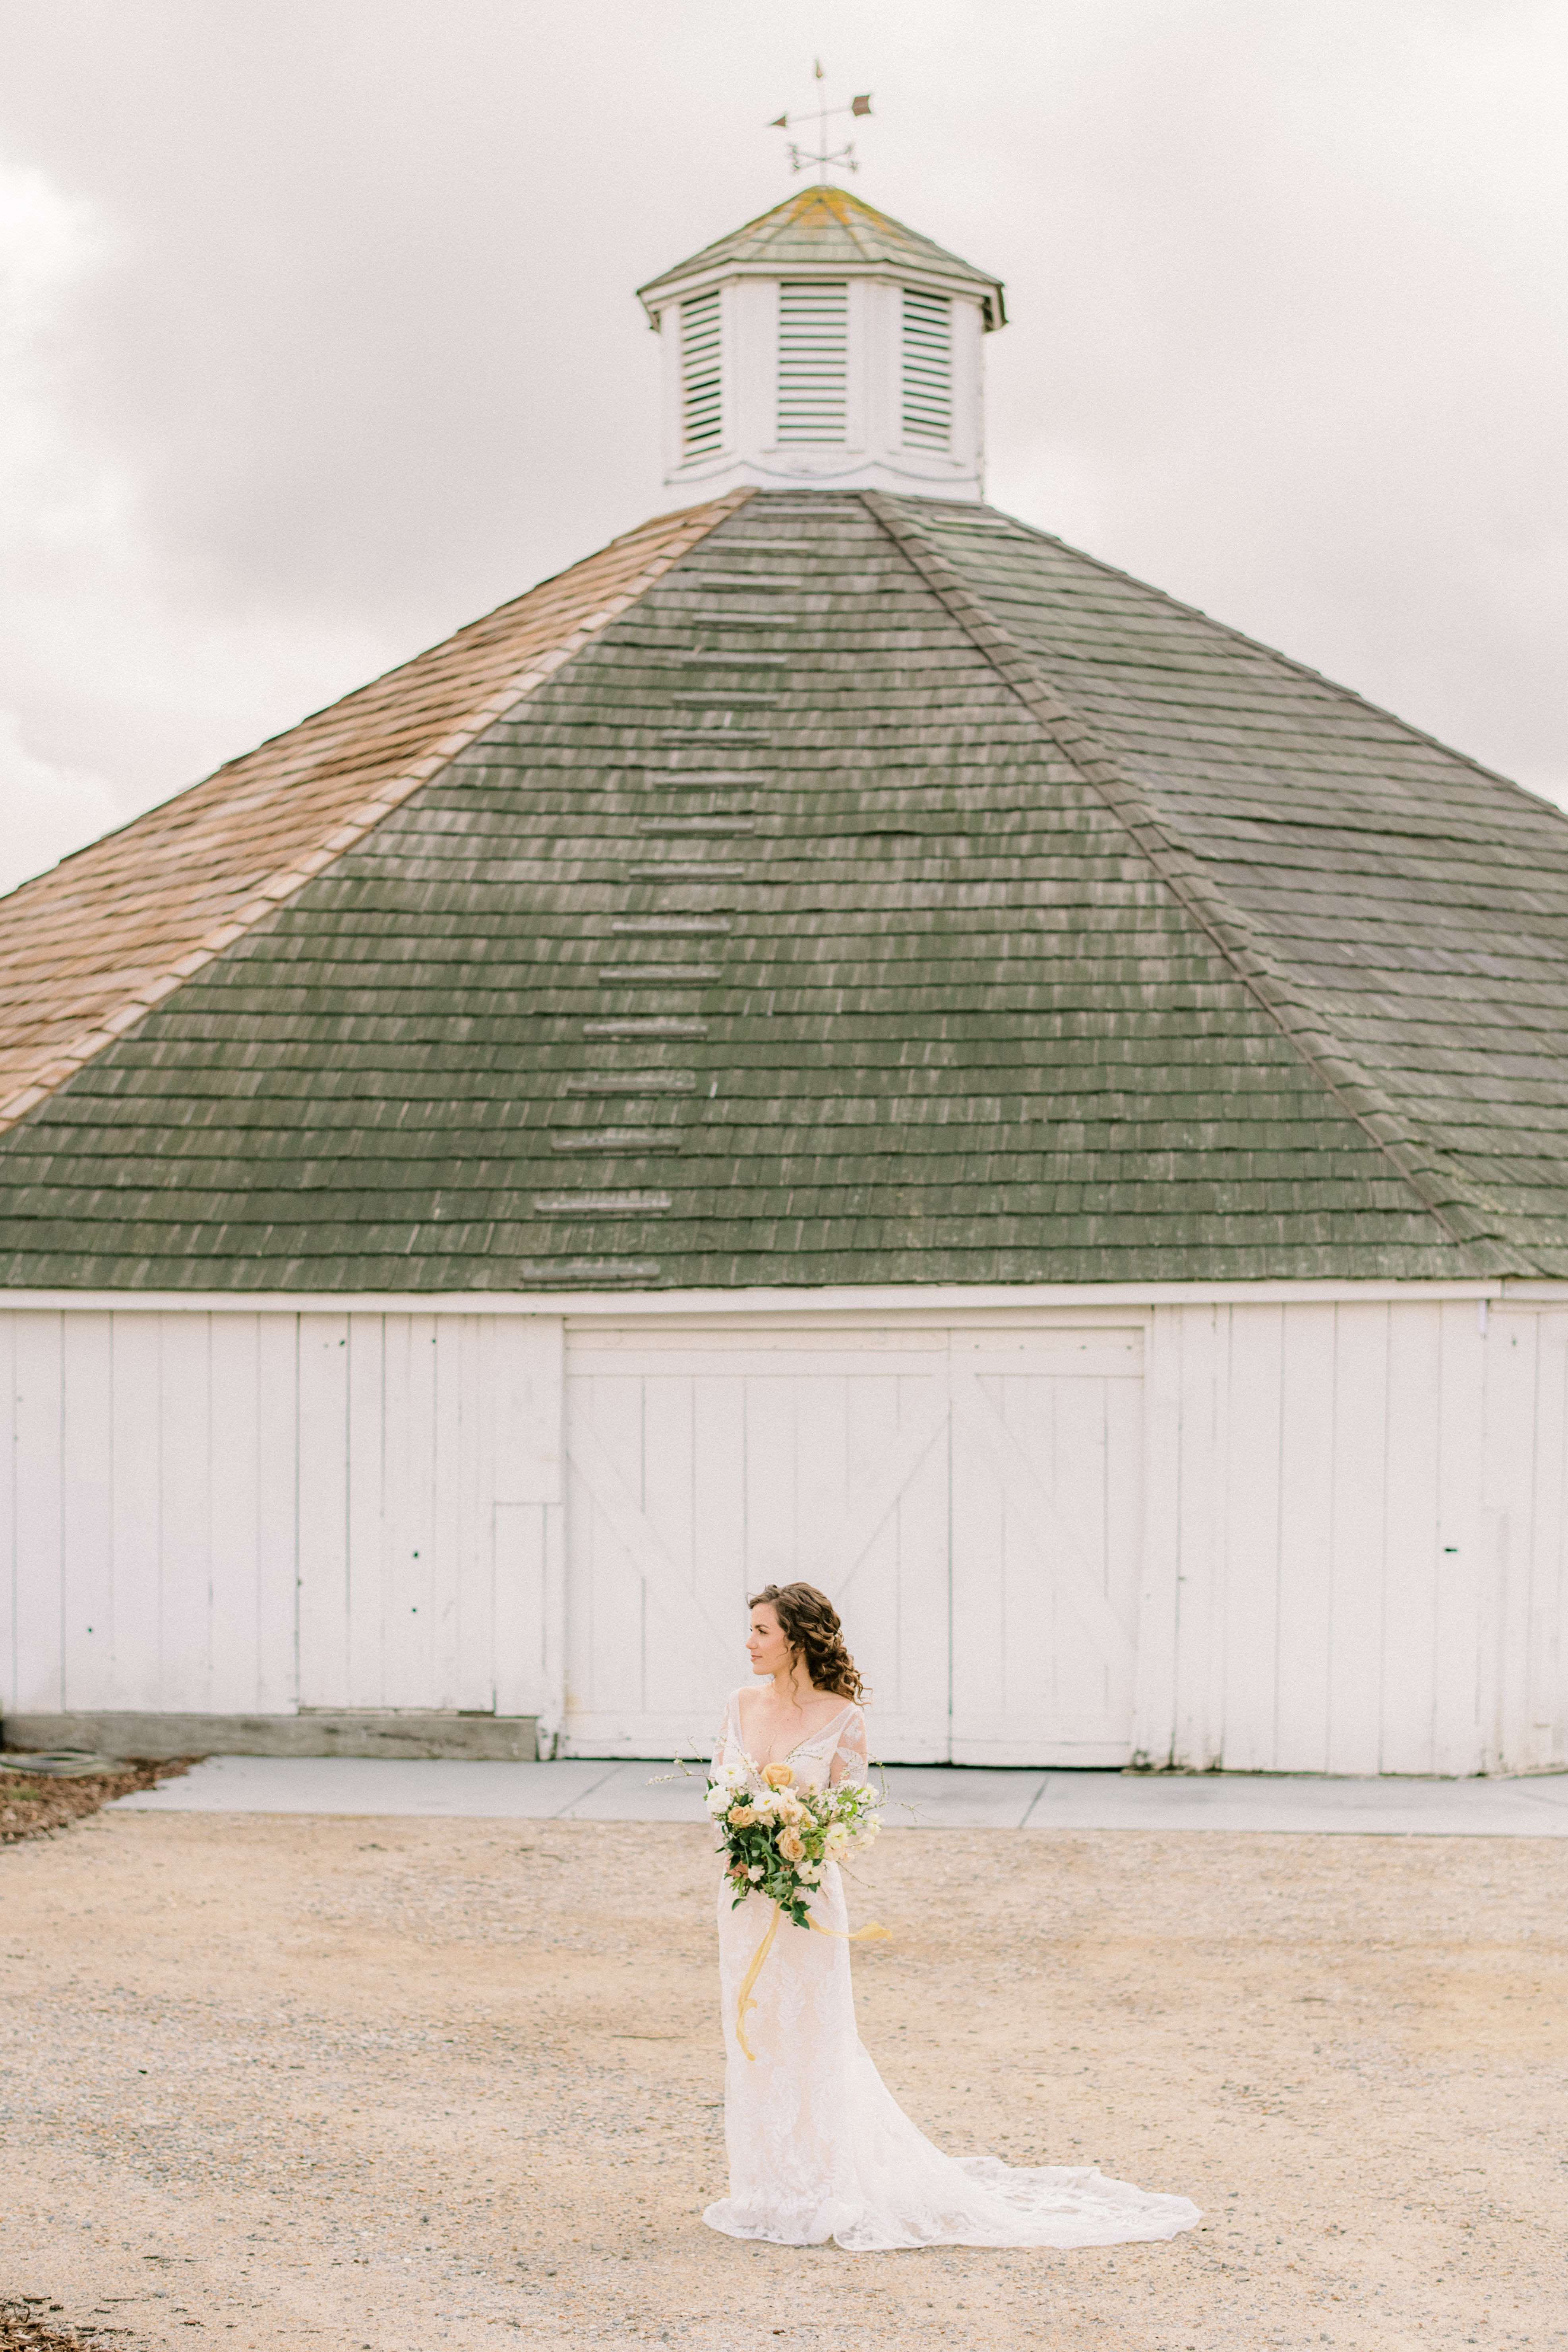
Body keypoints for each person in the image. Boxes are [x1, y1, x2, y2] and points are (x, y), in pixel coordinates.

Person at [704, 1580, 1201, 2253]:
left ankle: (823, 2182)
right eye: (751, 1630)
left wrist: (798, 1836)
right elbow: (719, 1792)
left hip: (806, 1900)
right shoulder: (739, 1706)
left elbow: (848, 1818)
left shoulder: (841, 1717)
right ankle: (766, 2185)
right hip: (745, 1894)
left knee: (813, 2032)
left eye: (761, 1631)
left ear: (794, 1638)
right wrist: (746, 1834)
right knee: (757, 2030)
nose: (749, 1642)